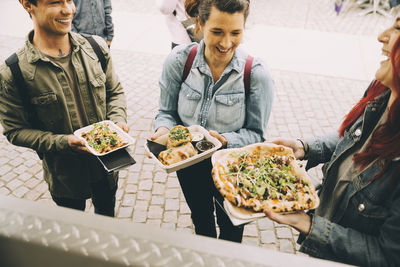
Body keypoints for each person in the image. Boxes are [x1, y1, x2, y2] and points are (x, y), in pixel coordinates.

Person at [263, 16, 400, 266]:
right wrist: (305, 148)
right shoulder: (382, 90)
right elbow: (353, 139)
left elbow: (389, 257)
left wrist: (306, 223)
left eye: (398, 27)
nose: (382, 35)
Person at [151, 0, 274, 243]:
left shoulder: (256, 74)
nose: (226, 43)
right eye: (217, 32)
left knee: (231, 230)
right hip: (188, 165)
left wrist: (226, 140)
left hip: (232, 168)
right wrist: (163, 130)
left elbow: (256, 135)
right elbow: (165, 112)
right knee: (201, 220)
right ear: (199, 24)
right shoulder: (179, 61)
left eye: (235, 33)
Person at [0, 0, 128, 217]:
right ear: (27, 4)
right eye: (55, 2)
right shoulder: (14, 72)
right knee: (75, 230)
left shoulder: (96, 47)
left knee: (107, 219)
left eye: (70, 0)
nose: (69, 9)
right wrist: (63, 142)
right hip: (65, 178)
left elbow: (114, 92)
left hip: (107, 169)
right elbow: (15, 131)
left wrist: (117, 119)